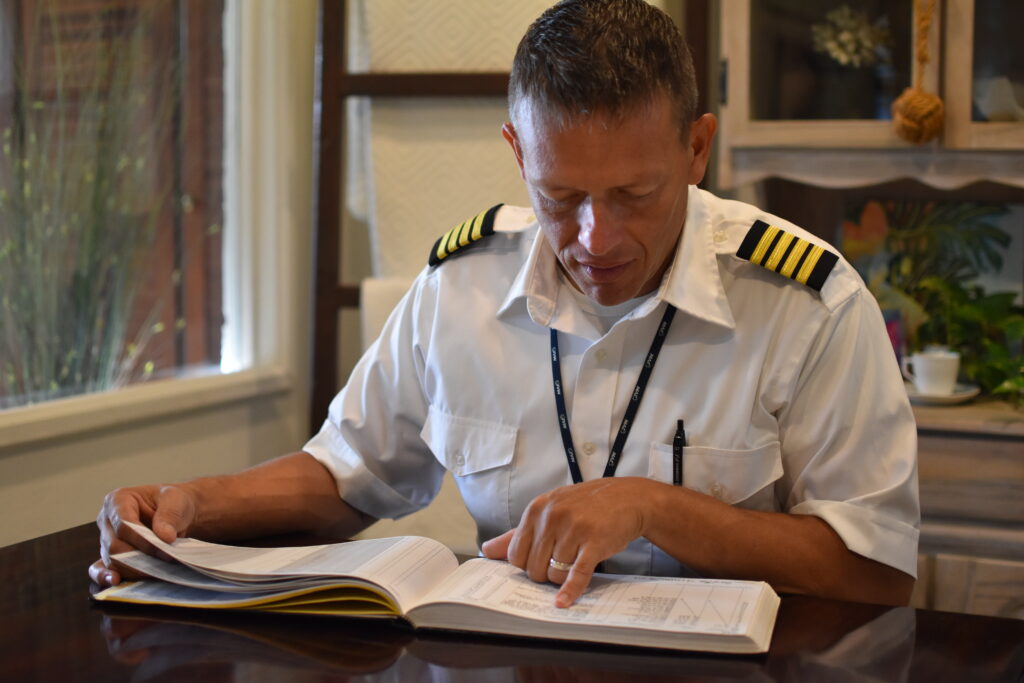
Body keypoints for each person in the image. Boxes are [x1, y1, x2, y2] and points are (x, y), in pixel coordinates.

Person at [92, 0, 918, 609]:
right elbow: (348, 474)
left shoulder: (808, 302)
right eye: (560, 196)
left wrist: (655, 509)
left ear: (697, 148)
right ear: (518, 153)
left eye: (635, 194)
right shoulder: (461, 285)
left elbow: (875, 571)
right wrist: (195, 504)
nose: (595, 237)